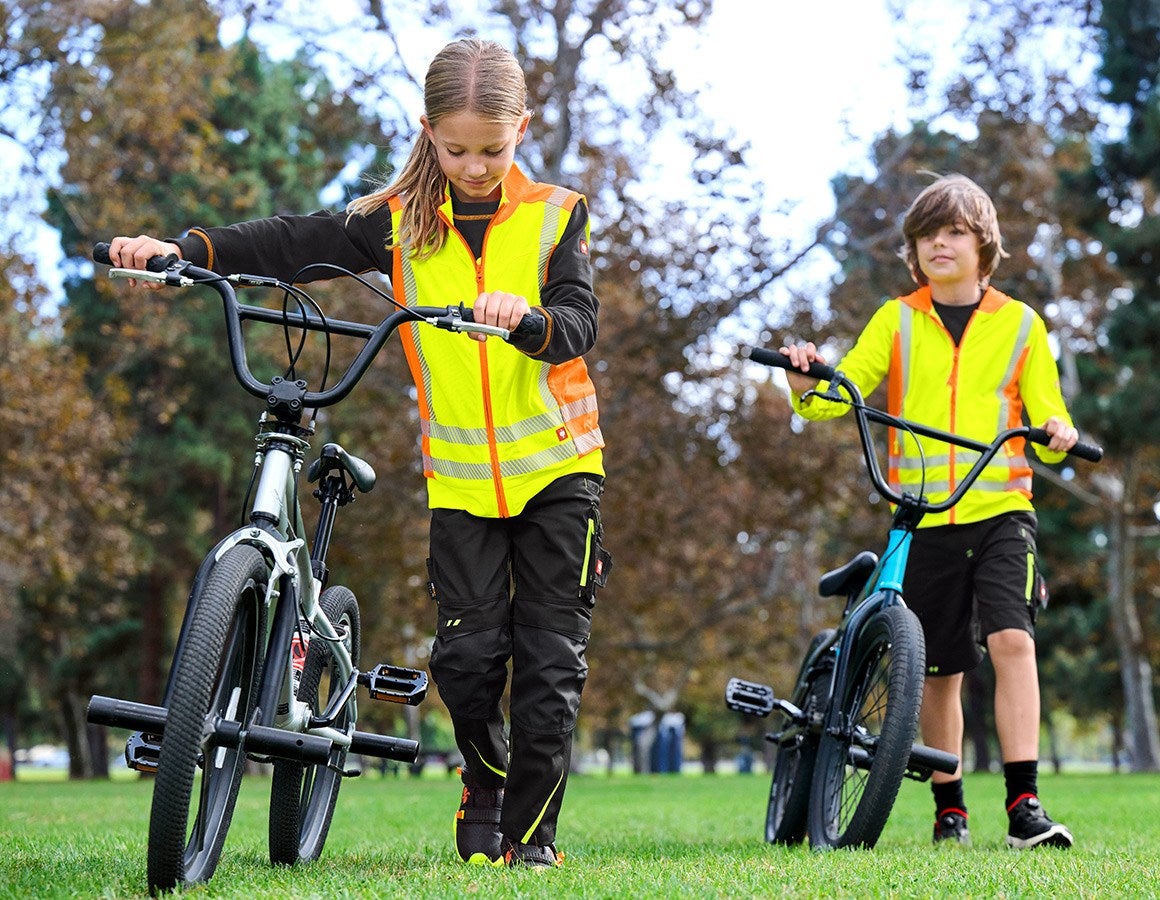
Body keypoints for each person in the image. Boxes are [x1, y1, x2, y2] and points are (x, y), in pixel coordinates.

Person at [109, 38, 611, 869]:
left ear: (522, 127)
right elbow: (289, 242)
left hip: (560, 470)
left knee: (550, 665)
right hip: (460, 483)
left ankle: (530, 842)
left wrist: (526, 320)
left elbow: (578, 322)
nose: (476, 166)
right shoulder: (399, 221)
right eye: (456, 149)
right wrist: (183, 251)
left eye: (494, 148)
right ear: (427, 131)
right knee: (468, 661)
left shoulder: (558, 213)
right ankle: (484, 781)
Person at [780, 173, 1078, 850]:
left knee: (1012, 641)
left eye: (955, 232)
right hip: (923, 518)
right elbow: (841, 394)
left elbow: (1049, 415)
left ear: (984, 245)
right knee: (938, 670)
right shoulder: (896, 318)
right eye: (926, 235)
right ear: (912, 251)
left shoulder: (1022, 325)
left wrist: (1057, 432)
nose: (939, 244)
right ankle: (951, 810)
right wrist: (806, 383)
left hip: (1002, 511)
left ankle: (1025, 805)